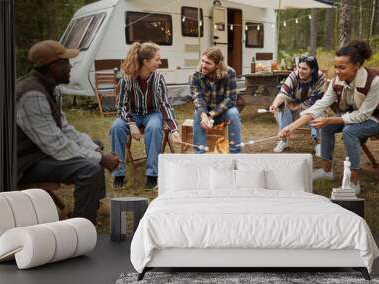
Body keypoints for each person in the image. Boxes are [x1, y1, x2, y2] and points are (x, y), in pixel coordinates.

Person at [16, 40, 119, 224]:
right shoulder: (32, 94)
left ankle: (93, 204)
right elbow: (56, 146)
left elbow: (65, 130)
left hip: (40, 153)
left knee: (95, 145)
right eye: (66, 62)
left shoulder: (47, 87)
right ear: (54, 66)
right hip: (24, 164)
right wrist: (101, 159)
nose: (70, 67)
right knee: (89, 170)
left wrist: (98, 152)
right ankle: (79, 228)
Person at [279, 40, 379, 193]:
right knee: (328, 126)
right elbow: (321, 104)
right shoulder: (337, 81)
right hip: (355, 115)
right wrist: (291, 127)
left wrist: (329, 119)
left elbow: (363, 115)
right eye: (336, 67)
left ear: (356, 65)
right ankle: (326, 171)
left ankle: (353, 182)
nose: (337, 71)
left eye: (342, 67)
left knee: (350, 130)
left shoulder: (373, 81)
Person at [110, 42, 181, 190]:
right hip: (133, 114)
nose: (160, 62)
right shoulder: (127, 79)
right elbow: (121, 105)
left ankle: (152, 175)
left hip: (152, 113)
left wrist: (174, 130)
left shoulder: (158, 78)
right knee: (116, 127)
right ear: (146, 62)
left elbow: (165, 105)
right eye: (157, 59)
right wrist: (131, 123)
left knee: (155, 127)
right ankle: (118, 174)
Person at [269, 56, 326, 154]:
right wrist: (274, 104)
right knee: (283, 106)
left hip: (311, 106)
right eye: (299, 67)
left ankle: (318, 143)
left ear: (312, 70)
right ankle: (283, 140)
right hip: (294, 107)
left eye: (304, 68)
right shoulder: (294, 75)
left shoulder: (320, 77)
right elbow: (283, 93)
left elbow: (316, 98)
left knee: (317, 110)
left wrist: (298, 106)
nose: (300, 71)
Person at [191, 47, 242, 153]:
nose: (203, 65)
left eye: (208, 63)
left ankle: (235, 153)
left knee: (233, 112)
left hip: (223, 113)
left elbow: (231, 99)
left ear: (217, 65)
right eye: (203, 61)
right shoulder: (195, 76)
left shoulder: (229, 73)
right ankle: (199, 154)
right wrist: (204, 115)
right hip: (206, 112)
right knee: (197, 113)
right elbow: (197, 98)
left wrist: (211, 114)